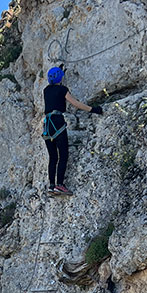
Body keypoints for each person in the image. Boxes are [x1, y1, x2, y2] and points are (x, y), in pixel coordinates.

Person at [42, 66, 103, 196]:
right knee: (63, 155)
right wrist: (93, 109)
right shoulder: (63, 90)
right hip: (57, 123)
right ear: (60, 78)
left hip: (47, 126)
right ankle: (60, 185)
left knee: (53, 157)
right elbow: (75, 103)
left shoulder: (46, 90)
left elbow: (54, 94)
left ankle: (51, 185)